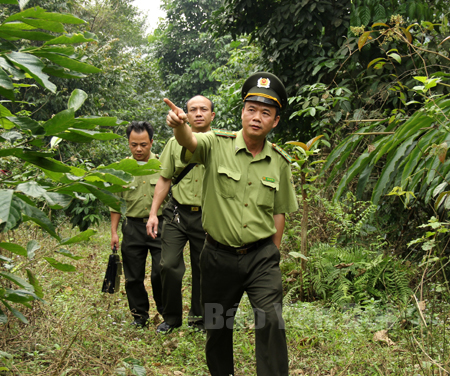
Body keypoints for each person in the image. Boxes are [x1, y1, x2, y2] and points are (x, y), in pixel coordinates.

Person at [163, 72, 298, 376]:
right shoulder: (216, 143)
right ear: (242, 112)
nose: (256, 118)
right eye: (251, 110)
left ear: (275, 121)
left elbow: (279, 212)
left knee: (271, 319)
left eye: (266, 113)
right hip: (218, 257)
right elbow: (191, 143)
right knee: (218, 326)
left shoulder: (279, 162)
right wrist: (180, 127)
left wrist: (272, 255)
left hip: (261, 257)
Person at [146, 95, 215, 334]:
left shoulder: (221, 144)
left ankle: (200, 319)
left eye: (203, 109)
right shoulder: (173, 144)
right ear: (185, 113)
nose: (198, 113)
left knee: (204, 268)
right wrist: (153, 213)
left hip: (207, 216)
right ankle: (172, 318)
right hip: (176, 212)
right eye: (192, 109)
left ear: (212, 115)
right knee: (168, 265)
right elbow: (164, 178)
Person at [110, 121, 164, 327]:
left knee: (162, 271)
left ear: (151, 142)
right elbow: (115, 203)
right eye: (134, 145)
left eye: (143, 144)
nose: (139, 149)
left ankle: (165, 313)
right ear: (128, 143)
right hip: (132, 227)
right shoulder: (121, 169)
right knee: (133, 276)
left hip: (160, 226)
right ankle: (139, 316)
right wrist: (114, 232)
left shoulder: (163, 165)